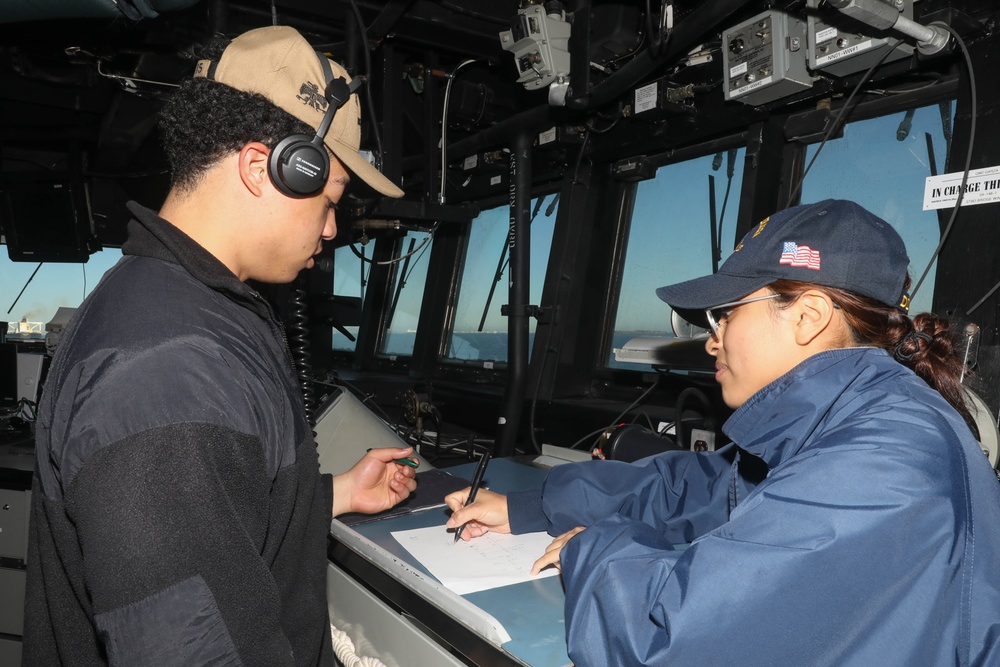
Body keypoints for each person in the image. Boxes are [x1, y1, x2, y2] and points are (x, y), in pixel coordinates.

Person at [446, 200, 1000, 666]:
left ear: (807, 317)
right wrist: (537, 507)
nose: (713, 340)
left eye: (726, 315)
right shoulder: (843, 420)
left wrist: (593, 549)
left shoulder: (885, 461)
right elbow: (704, 486)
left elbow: (666, 643)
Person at [24, 25, 417, 666]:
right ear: (267, 169)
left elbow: (209, 510)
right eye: (332, 198)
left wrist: (336, 493)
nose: (331, 227)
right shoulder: (170, 370)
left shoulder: (180, 305)